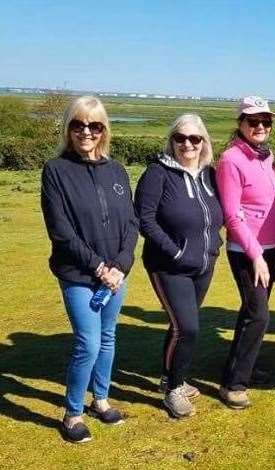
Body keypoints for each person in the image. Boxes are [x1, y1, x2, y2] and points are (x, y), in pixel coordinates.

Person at [40, 96, 138, 443]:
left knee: (108, 337)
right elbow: (61, 230)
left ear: (104, 130)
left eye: (94, 125)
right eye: (78, 124)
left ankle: (100, 399)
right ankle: (72, 413)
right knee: (89, 342)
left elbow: (130, 223)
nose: (86, 131)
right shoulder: (56, 170)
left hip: (115, 276)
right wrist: (99, 267)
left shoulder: (116, 170)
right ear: (68, 128)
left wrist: (121, 265)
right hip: (79, 275)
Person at [135, 114, 223, 418]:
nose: (188, 144)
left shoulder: (210, 175)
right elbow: (144, 219)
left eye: (194, 138)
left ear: (203, 142)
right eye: (181, 138)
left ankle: (169, 376)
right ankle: (173, 389)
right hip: (168, 266)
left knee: (180, 327)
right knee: (188, 327)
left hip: (204, 263)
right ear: (171, 141)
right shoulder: (157, 174)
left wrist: (214, 248)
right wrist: (175, 253)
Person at [215, 96, 275, 410]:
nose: (260, 127)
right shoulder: (231, 159)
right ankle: (234, 385)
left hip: (271, 249)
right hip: (246, 250)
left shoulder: (265, 157)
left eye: (265, 122)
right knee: (259, 315)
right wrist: (255, 254)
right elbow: (232, 214)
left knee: (249, 314)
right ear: (240, 123)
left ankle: (242, 367)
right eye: (253, 121)